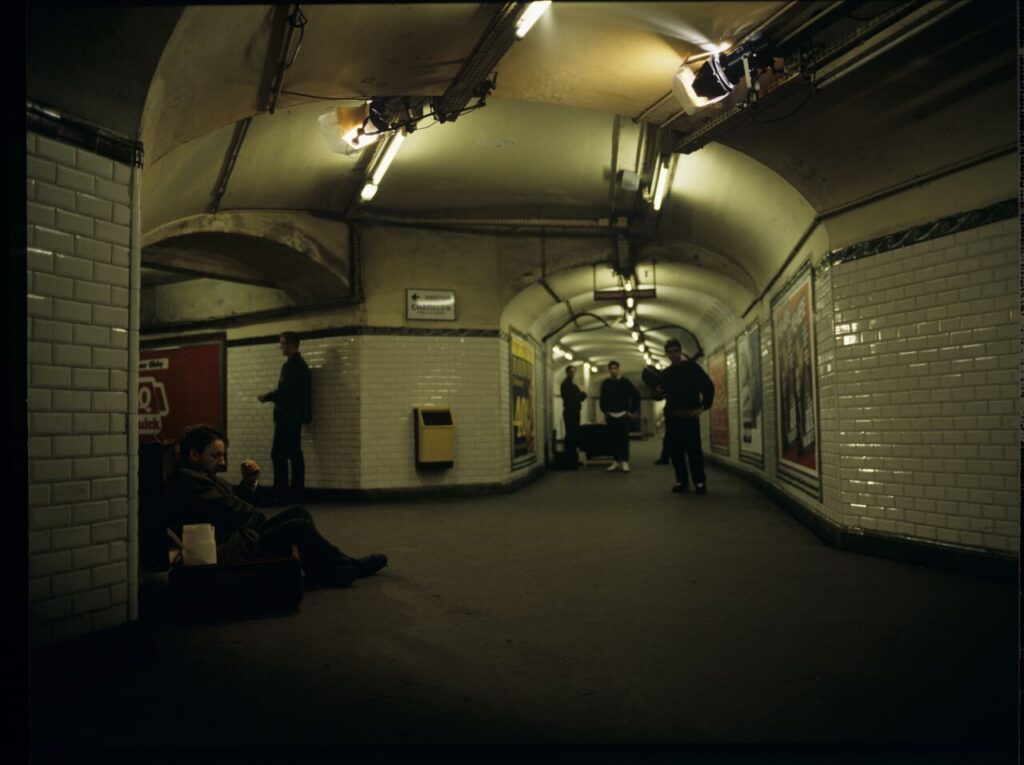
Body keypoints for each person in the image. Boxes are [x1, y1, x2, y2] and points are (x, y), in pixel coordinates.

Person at [164, 425, 387, 587]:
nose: (222, 461)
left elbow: (235, 499)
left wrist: (250, 482)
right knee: (297, 526)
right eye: (216, 455)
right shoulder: (189, 480)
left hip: (243, 536)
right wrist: (260, 520)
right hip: (233, 548)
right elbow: (229, 509)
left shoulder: (204, 475)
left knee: (298, 512)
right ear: (194, 455)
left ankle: (322, 569)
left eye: (223, 455)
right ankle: (347, 565)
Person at [651, 339, 715, 494]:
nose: (673, 354)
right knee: (676, 451)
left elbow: (708, 386)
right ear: (667, 354)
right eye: (670, 352)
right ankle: (682, 481)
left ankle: (699, 482)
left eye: (675, 351)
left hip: (689, 417)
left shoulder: (692, 368)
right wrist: (657, 392)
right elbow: (657, 395)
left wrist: (703, 407)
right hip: (673, 417)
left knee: (694, 451)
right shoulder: (666, 374)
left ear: (680, 351)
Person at [258, 331, 312, 502]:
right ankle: (296, 490)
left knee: (279, 453)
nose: (280, 346)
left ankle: (281, 490)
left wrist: (267, 397)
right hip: (295, 416)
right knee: (294, 452)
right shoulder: (301, 366)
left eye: (282, 343)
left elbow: (285, 392)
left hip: (287, 416)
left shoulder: (291, 366)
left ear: (290, 344)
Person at [598, 360, 639, 472]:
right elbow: (602, 398)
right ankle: (616, 461)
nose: (613, 370)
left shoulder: (625, 382)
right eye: (611, 368)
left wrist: (632, 410)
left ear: (618, 369)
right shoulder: (606, 383)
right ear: (609, 370)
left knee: (624, 439)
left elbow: (636, 395)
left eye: (615, 368)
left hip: (623, 414)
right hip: (611, 415)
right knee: (613, 439)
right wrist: (604, 410)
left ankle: (625, 461)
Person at [560, 365, 587, 458]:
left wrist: (579, 395)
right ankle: (570, 454)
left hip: (573, 411)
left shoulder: (570, 384)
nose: (572, 373)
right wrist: (580, 395)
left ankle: (572, 454)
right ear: (567, 372)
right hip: (570, 411)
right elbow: (575, 397)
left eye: (573, 371)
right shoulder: (566, 384)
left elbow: (578, 396)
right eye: (570, 371)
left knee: (573, 432)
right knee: (571, 432)